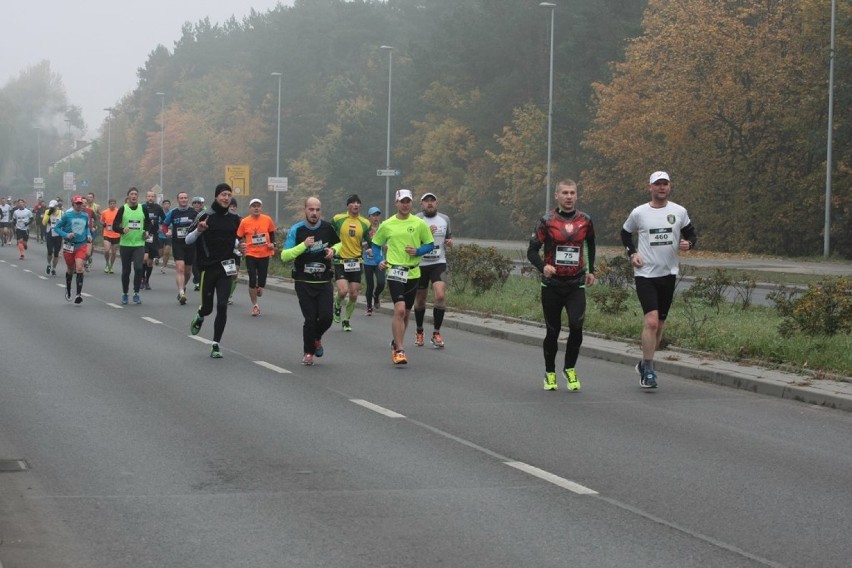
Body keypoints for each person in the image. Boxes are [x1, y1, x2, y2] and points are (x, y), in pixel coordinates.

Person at [621, 171, 697, 389]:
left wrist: (688, 244)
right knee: (651, 322)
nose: (662, 188)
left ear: (669, 186)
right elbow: (625, 234)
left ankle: (644, 363)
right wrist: (632, 253)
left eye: (665, 184)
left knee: (660, 324)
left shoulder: (679, 211)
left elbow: (692, 235)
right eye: (658, 184)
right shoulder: (639, 213)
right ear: (650, 187)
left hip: (668, 273)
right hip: (645, 274)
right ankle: (649, 369)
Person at [527, 179, 596, 391]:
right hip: (552, 285)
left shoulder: (585, 220)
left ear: (576, 195)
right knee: (553, 330)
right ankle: (550, 372)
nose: (568, 196)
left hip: (576, 284)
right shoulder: (546, 220)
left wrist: (591, 270)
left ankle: (569, 368)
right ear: (557, 196)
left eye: (572, 193)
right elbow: (532, 251)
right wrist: (543, 267)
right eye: (564, 193)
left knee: (576, 325)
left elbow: (591, 244)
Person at [370, 189, 434, 365]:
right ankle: (399, 349)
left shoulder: (419, 223)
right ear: (396, 203)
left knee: (406, 313)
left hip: (413, 272)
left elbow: (430, 244)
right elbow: (375, 245)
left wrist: (417, 251)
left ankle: (395, 341)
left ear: (411, 203)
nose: (405, 205)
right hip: (395, 271)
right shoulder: (387, 224)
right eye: (402, 201)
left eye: (408, 201)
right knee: (398, 310)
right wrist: (379, 260)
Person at [186, 183, 245, 359]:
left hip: (226, 267)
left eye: (228, 195)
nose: (226, 198)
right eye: (223, 195)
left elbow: (235, 242)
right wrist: (198, 230)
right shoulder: (205, 215)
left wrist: (240, 248)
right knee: (208, 308)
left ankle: (216, 344)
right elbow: (188, 240)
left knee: (222, 306)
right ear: (216, 196)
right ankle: (200, 315)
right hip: (208, 268)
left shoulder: (235, 219)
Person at [280, 197, 340, 365]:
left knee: (327, 317)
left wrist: (333, 250)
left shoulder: (328, 228)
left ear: (321, 211)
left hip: (324, 281)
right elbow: (284, 255)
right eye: (311, 209)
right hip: (303, 281)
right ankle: (308, 352)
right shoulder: (297, 230)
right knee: (311, 319)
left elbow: (340, 244)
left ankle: (317, 337)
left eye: (317, 210)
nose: (314, 213)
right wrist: (303, 246)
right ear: (305, 209)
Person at [413, 192, 453, 349]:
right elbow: (411, 241)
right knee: (420, 300)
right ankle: (419, 331)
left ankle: (436, 333)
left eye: (432, 201)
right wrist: (426, 233)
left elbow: (448, 237)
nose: (429, 203)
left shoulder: (445, 219)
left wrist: (449, 242)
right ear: (421, 204)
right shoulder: (416, 219)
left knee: (440, 295)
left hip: (439, 263)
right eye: (426, 201)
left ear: (437, 203)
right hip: (420, 264)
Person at [331, 194, 371, 332]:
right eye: (352, 203)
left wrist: (370, 248)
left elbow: (367, 238)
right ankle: (336, 305)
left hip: (356, 261)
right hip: (340, 260)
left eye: (358, 203)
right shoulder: (338, 219)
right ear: (347, 205)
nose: (355, 205)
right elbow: (329, 233)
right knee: (343, 291)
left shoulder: (365, 223)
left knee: (354, 294)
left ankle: (346, 320)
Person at [237, 198, 276, 316]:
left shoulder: (267, 219)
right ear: (250, 208)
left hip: (264, 253)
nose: (256, 208)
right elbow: (238, 237)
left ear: (261, 208)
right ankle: (255, 306)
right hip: (250, 254)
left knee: (262, 280)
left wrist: (272, 244)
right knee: (252, 279)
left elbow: (272, 234)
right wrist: (240, 245)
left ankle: (260, 286)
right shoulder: (244, 222)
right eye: (253, 206)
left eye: (258, 206)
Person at [111, 187, 149, 305]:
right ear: (128, 197)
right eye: (131, 194)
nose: (134, 196)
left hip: (139, 244)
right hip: (126, 244)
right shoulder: (123, 209)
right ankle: (125, 293)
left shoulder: (143, 208)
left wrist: (147, 232)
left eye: (135, 194)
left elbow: (148, 223)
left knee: (138, 268)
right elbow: (114, 226)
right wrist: (122, 229)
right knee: (126, 271)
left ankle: (136, 293)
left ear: (138, 196)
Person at [53, 195, 93, 304]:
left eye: (81, 203)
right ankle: (69, 289)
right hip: (69, 246)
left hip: (81, 244)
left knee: (79, 268)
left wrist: (89, 235)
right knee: (70, 269)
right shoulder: (67, 215)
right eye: (77, 204)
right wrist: (66, 234)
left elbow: (87, 229)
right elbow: (56, 228)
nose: (80, 205)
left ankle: (78, 294)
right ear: (73, 204)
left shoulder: (85, 216)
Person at [161, 192, 198, 305]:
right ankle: (181, 292)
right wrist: (166, 232)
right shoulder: (173, 213)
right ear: (178, 200)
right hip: (178, 244)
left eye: (185, 198)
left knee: (188, 271)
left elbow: (200, 226)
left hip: (190, 244)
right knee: (180, 268)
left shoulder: (193, 212)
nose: (183, 200)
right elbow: (164, 225)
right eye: (181, 198)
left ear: (188, 199)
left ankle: (183, 286)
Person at [362, 206, 385, 315]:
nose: (376, 217)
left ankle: (376, 296)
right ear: (369, 216)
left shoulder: (383, 228)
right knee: (370, 285)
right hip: (368, 261)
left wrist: (385, 245)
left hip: (379, 260)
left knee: (381, 282)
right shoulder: (365, 229)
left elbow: (387, 242)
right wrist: (368, 245)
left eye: (377, 215)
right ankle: (369, 307)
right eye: (373, 215)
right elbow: (359, 243)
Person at [141, 190, 165, 290]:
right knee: (144, 258)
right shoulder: (142, 207)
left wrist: (161, 227)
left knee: (150, 262)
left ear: (154, 198)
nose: (150, 198)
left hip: (153, 236)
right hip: (144, 235)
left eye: (152, 196)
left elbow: (164, 219)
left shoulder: (158, 208)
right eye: (149, 196)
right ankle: (141, 278)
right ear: (146, 197)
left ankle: (147, 280)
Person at [227, 198, 242, 304]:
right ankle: (225, 295)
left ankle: (229, 294)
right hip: (225, 250)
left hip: (236, 250)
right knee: (229, 272)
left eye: (234, 206)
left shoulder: (239, 219)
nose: (232, 208)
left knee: (235, 273)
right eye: (230, 206)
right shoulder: (223, 218)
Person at [99, 198, 120, 273]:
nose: (112, 205)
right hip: (107, 233)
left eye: (114, 203)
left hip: (116, 234)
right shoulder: (105, 212)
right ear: (109, 204)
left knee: (114, 252)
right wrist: (103, 224)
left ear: (115, 204)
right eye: (111, 203)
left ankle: (111, 266)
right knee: (107, 250)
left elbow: (122, 220)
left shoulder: (118, 211)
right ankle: (107, 264)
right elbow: (101, 220)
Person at [43, 199, 63, 276]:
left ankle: (54, 268)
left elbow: (65, 222)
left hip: (58, 235)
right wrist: (48, 214)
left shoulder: (61, 213)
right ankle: (48, 264)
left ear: (56, 206)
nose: (51, 208)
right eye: (50, 207)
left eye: (53, 207)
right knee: (50, 251)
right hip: (50, 233)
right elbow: (44, 222)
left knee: (56, 253)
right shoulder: (47, 212)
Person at [190, 196, 206, 290]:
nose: (196, 205)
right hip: (193, 240)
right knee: (194, 261)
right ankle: (197, 280)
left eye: (198, 203)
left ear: (202, 204)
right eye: (195, 203)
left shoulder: (205, 214)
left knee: (203, 261)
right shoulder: (190, 213)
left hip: (204, 241)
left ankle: (202, 280)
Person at [159, 199, 171, 272]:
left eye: (168, 204)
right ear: (162, 205)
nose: (166, 205)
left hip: (168, 235)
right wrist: (158, 228)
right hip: (160, 235)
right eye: (165, 204)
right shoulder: (159, 213)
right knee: (160, 252)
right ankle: (157, 258)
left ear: (169, 205)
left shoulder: (171, 213)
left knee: (167, 252)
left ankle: (164, 266)